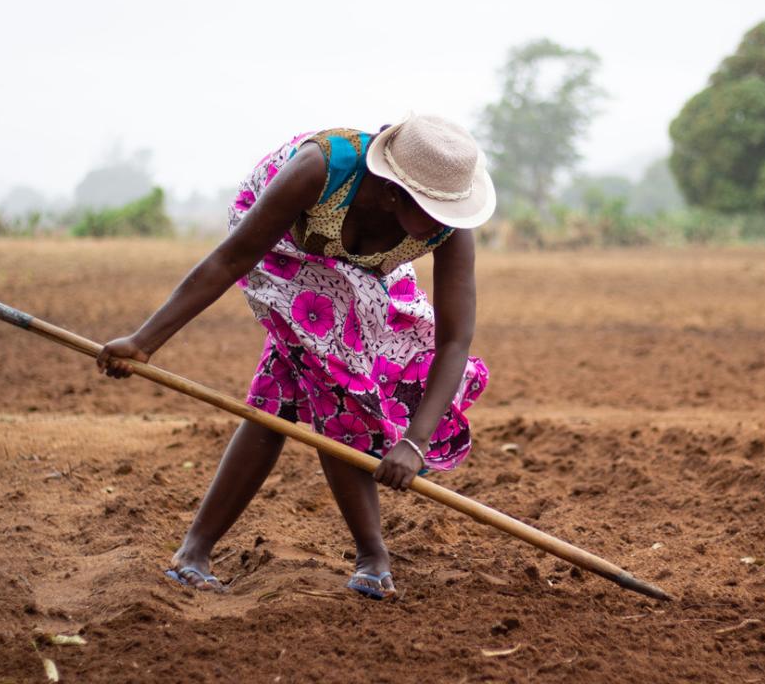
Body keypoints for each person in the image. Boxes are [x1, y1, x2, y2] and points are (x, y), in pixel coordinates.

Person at [95, 114, 496, 599]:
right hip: (280, 246)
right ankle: (372, 557)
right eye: (433, 208)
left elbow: (454, 340)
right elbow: (231, 258)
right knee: (337, 380)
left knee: (285, 396)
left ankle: (193, 553)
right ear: (393, 193)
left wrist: (414, 442)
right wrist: (144, 341)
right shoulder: (320, 169)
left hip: (360, 272)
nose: (445, 221)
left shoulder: (448, 224)